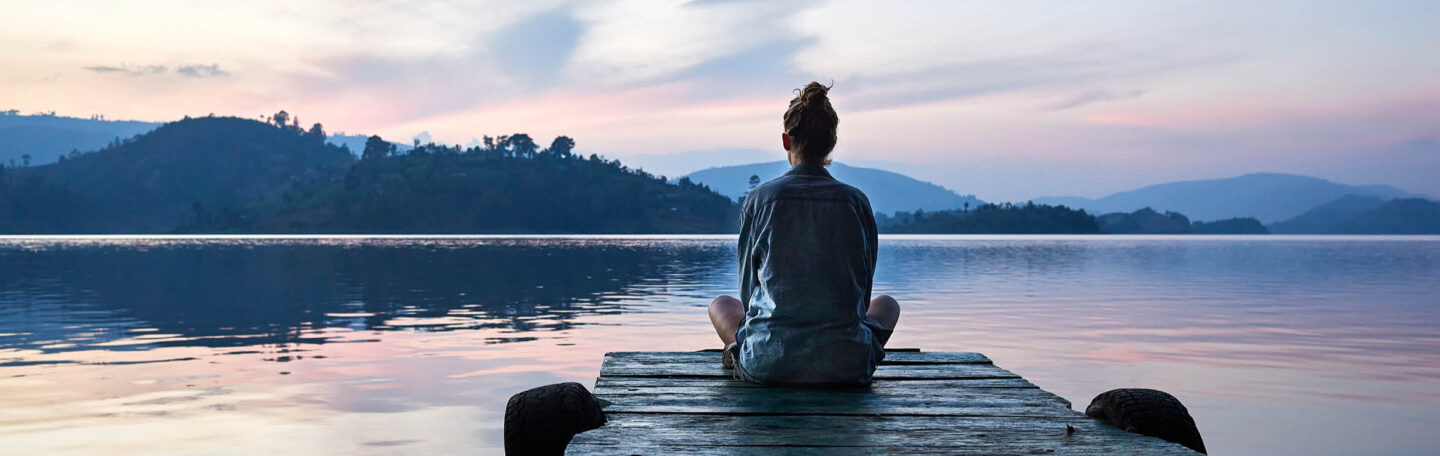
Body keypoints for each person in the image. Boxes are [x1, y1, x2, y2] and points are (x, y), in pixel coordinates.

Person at [707, 81, 900, 386]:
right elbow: (861, 298)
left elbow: (747, 294)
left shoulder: (760, 200)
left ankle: (740, 352)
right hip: (846, 366)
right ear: (832, 143)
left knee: (721, 304)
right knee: (887, 304)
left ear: (786, 141)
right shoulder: (855, 201)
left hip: (768, 365)